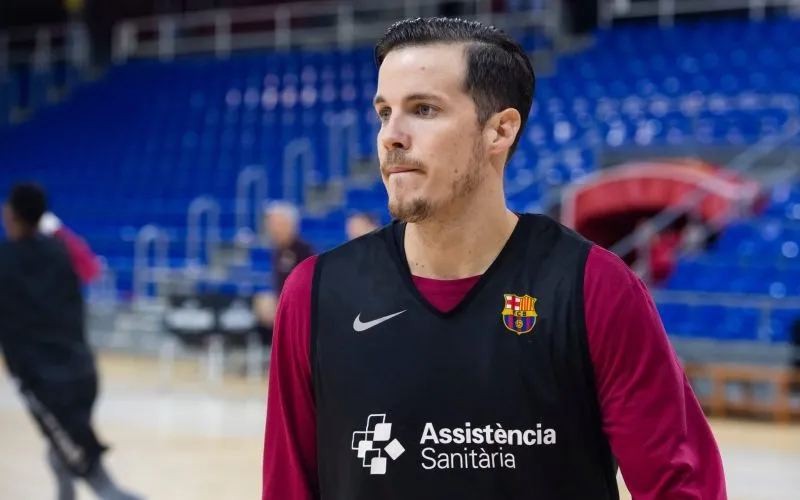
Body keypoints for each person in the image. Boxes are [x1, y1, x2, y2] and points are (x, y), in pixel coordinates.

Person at [262, 17, 726, 500]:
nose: (390, 136)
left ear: (500, 130)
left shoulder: (595, 288)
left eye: (423, 109)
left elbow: (683, 488)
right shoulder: (316, 294)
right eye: (384, 113)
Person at [0, 183, 142, 500]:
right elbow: (90, 268)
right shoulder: (60, 250)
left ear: (13, 215)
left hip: (46, 384)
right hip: (83, 373)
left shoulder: (6, 260)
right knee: (61, 449)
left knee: (100, 482)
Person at [252, 201, 314, 346]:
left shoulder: (303, 251)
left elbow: (307, 288)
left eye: (278, 224)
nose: (274, 229)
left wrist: (281, 305)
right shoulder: (278, 249)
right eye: (271, 224)